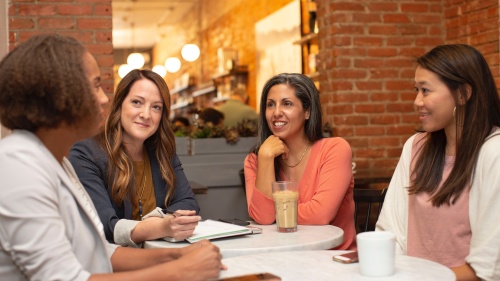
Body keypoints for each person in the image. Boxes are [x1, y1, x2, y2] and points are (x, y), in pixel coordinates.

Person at [0, 34, 222, 281]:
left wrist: (175, 256)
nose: (104, 99)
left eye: (156, 107)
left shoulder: (56, 161)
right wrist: (179, 271)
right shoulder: (17, 164)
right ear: (58, 95)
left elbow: (102, 252)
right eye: (95, 86)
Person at [376, 44, 500, 281]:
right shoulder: (415, 147)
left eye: (425, 90)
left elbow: (488, 268)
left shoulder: (493, 153)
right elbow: (390, 232)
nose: (417, 101)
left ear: (463, 93)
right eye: (416, 89)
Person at [68, 69, 200, 247]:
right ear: (119, 104)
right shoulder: (86, 155)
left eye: (156, 107)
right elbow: (104, 225)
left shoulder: (163, 151)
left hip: (161, 257)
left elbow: (188, 203)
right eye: (137, 102)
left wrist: (162, 224)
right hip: (114, 264)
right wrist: (161, 226)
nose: (146, 114)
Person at [243, 73, 356, 250]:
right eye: (270, 105)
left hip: (334, 260)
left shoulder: (335, 149)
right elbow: (263, 218)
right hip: (284, 258)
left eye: (287, 104)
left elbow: (320, 214)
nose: (276, 113)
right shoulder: (255, 160)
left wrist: (275, 213)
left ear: (307, 111)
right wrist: (265, 158)